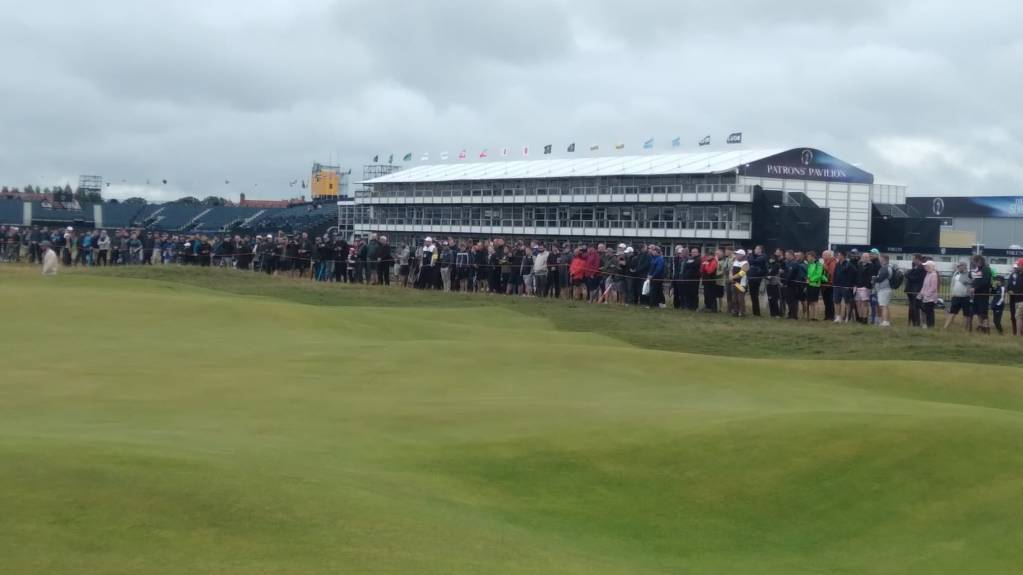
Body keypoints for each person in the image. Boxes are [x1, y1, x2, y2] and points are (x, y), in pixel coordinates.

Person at [944, 261, 973, 331]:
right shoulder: (956, 273)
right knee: (952, 312)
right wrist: (951, 293)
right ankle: (945, 328)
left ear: (964, 266)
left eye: (959, 266)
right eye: (958, 266)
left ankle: (964, 330)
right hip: (956, 297)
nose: (958, 267)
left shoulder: (970, 274)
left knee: (966, 314)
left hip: (965, 297)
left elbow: (972, 283)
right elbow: (952, 284)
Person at [971, 255, 993, 334]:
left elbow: (985, 281)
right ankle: (980, 325)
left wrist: (975, 288)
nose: (974, 263)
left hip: (983, 294)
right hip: (977, 294)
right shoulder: (978, 269)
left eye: (975, 261)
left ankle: (986, 327)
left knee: (983, 311)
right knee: (978, 311)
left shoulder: (986, 269)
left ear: (979, 261)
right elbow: (975, 279)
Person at [831, 250, 855, 324]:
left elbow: (852, 276)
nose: (837, 256)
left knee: (847, 302)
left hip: (845, 287)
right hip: (837, 286)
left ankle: (848, 317)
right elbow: (835, 274)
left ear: (843, 256)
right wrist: (834, 283)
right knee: (836, 301)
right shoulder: (837, 264)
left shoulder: (849, 264)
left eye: (839, 255)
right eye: (837, 255)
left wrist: (849, 285)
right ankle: (838, 317)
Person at [904, 254, 925, 328]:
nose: (912, 260)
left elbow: (915, 278)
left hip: (916, 290)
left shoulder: (921, 268)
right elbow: (909, 273)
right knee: (911, 307)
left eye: (913, 259)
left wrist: (907, 275)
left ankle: (916, 323)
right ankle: (912, 322)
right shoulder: (914, 267)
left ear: (917, 259)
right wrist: (908, 274)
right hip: (910, 289)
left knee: (915, 307)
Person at [804, 251, 825, 321]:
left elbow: (818, 275)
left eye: (808, 257)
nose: (807, 258)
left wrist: (811, 280)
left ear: (812, 257)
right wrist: (807, 278)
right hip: (809, 284)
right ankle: (812, 316)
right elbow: (808, 273)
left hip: (815, 285)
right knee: (810, 301)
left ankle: (816, 316)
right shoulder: (809, 264)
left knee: (815, 301)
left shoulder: (818, 264)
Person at [873, 254, 893, 328]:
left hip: (884, 289)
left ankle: (885, 322)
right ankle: (887, 321)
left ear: (884, 259)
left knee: (883, 306)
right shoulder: (886, 267)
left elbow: (880, 278)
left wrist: (874, 279)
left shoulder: (885, 268)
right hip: (885, 289)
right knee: (885, 305)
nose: (879, 260)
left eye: (880, 258)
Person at [919, 260, 939, 329]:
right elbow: (924, 285)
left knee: (929, 312)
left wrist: (927, 295)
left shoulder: (934, 274)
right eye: (925, 266)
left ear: (930, 266)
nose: (925, 267)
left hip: (931, 298)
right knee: (925, 311)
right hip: (925, 297)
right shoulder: (927, 274)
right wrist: (921, 294)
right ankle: (926, 324)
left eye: (926, 266)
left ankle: (930, 326)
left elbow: (933, 287)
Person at [730, 249, 749, 317]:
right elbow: (731, 270)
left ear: (742, 255)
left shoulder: (745, 263)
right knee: (734, 298)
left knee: (740, 299)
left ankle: (742, 312)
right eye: (736, 254)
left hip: (741, 284)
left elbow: (742, 273)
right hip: (734, 282)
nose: (736, 255)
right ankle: (736, 311)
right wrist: (731, 277)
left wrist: (733, 277)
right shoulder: (734, 261)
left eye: (738, 254)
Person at [766, 249, 784, 318]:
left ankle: (777, 313)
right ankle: (772, 313)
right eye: (770, 258)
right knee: (770, 298)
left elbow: (773, 272)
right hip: (768, 284)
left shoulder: (777, 265)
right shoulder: (768, 265)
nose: (771, 259)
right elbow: (767, 272)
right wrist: (767, 275)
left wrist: (769, 275)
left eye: (772, 258)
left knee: (775, 299)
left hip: (775, 284)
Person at [820, 250, 836, 321]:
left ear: (828, 256)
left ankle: (831, 316)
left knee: (830, 301)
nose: (822, 256)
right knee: (826, 301)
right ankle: (827, 316)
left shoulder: (832, 262)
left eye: (824, 255)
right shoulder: (825, 262)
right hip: (824, 285)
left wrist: (824, 267)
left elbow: (831, 273)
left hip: (829, 285)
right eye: (823, 255)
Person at [1009, 259, 1023, 336]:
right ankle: (1017, 332)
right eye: (1016, 266)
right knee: (1017, 317)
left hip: (1021, 300)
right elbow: (1010, 286)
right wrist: (1010, 290)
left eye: (1018, 265)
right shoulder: (1015, 275)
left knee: (1018, 316)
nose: (1017, 267)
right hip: (1015, 300)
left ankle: (1018, 334)